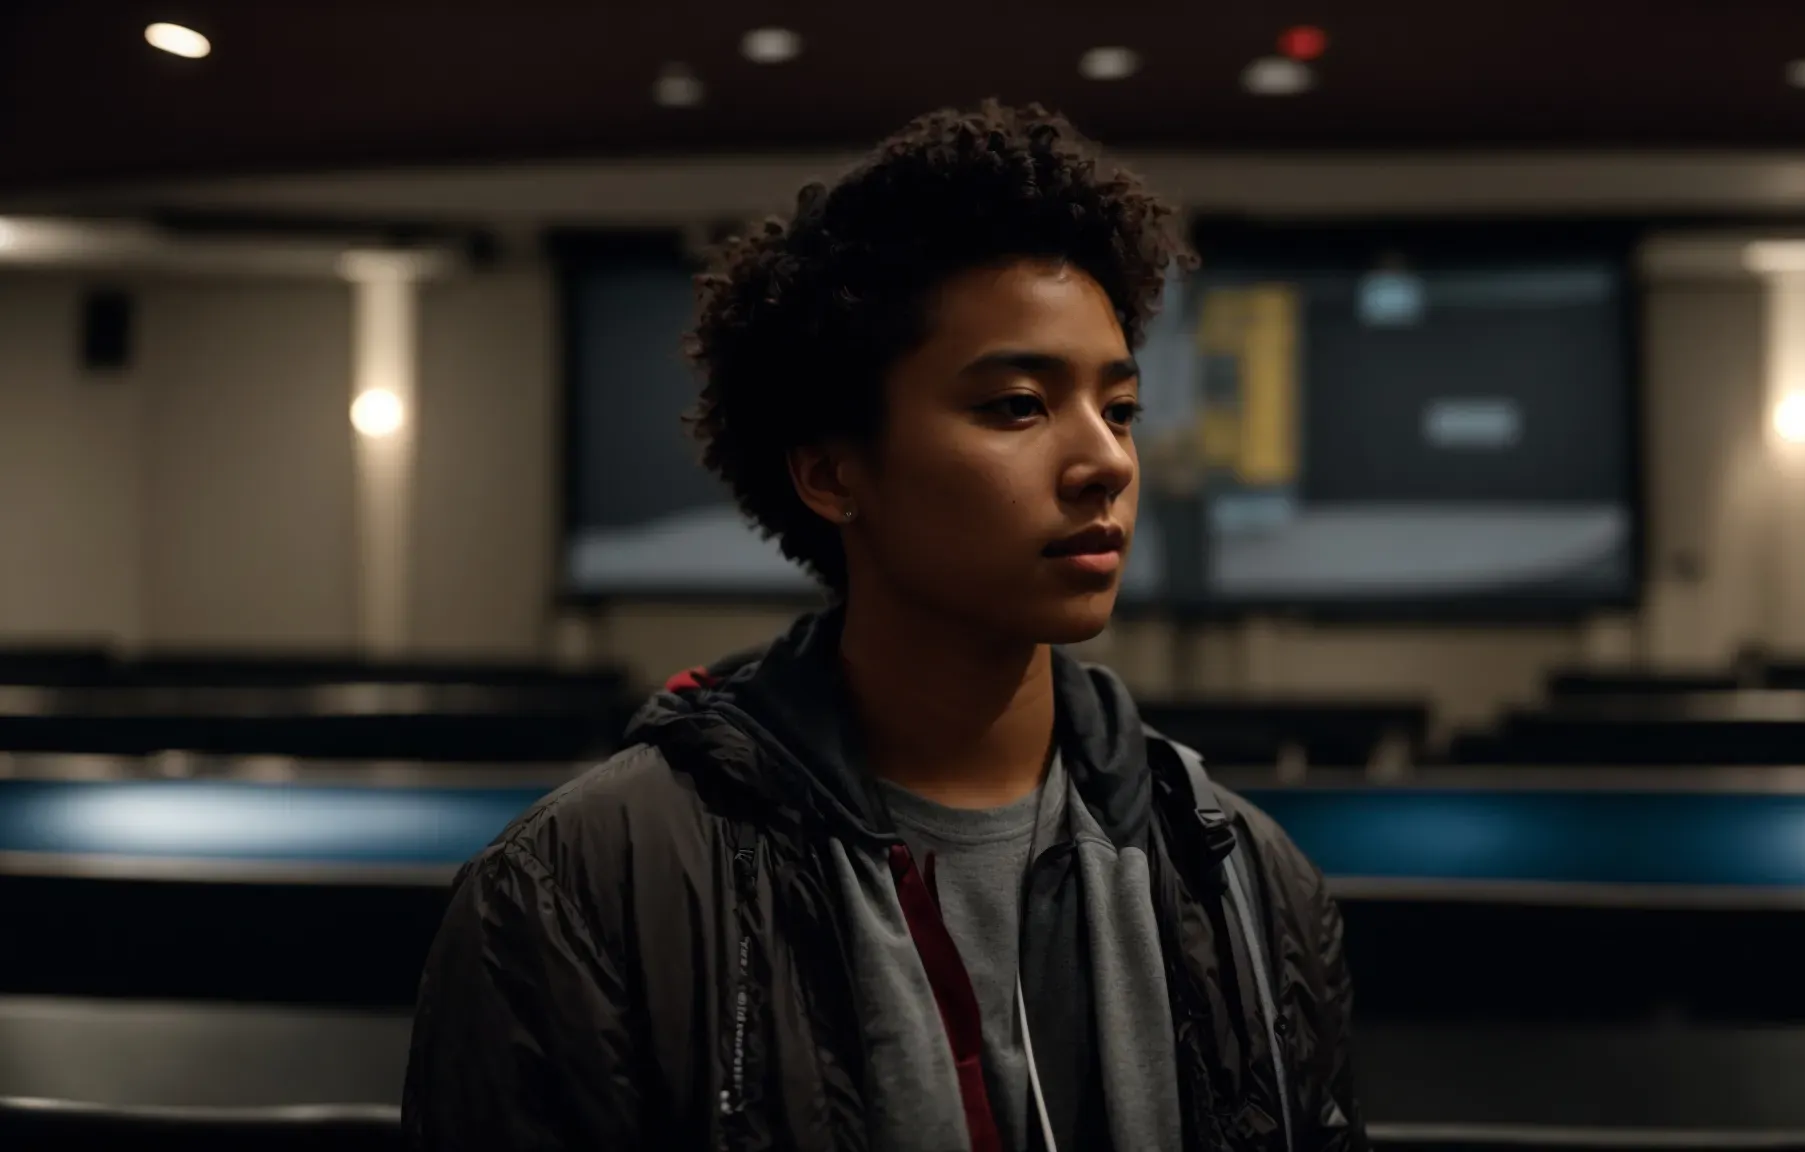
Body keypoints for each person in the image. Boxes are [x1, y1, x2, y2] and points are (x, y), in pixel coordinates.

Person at [402, 100, 1364, 1152]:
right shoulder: (581, 892)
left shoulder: (1238, 873)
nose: (1107, 462)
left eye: (1119, 408)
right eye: (1015, 406)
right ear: (829, 471)